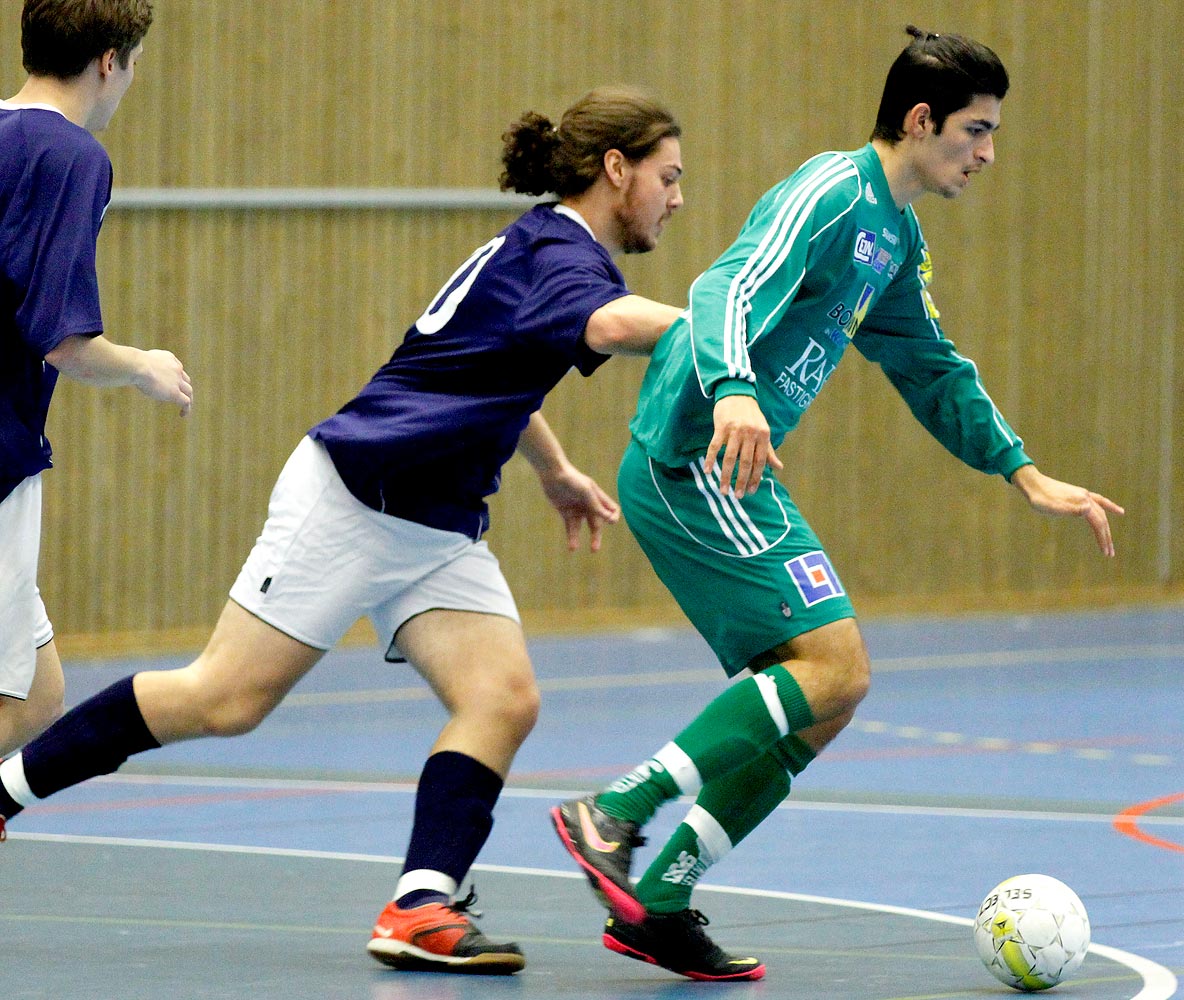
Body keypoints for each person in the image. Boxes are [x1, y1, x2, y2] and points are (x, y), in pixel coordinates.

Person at [0, 85, 686, 976]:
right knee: (225, 699)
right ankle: (6, 790)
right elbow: (607, 326)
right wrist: (714, 325)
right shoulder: (564, 256)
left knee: (502, 699)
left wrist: (553, 471)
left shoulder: (552, 251)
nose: (678, 197)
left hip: (436, 521)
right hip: (358, 496)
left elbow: (499, 372)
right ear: (616, 169)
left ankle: (420, 906)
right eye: (668, 177)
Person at [550, 26, 1123, 983]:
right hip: (693, 457)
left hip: (738, 472)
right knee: (834, 665)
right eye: (975, 132)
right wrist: (734, 388)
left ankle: (660, 900)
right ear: (920, 120)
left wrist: (1023, 470)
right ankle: (614, 812)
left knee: (827, 701)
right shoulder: (830, 190)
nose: (987, 154)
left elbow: (930, 366)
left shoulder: (895, 237)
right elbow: (722, 286)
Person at [1, 0, 192, 756]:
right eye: (136, 64)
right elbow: (65, 340)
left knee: (41, 690)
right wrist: (147, 367)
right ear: (109, 61)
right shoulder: (70, 156)